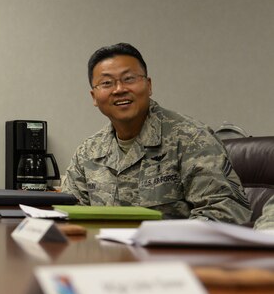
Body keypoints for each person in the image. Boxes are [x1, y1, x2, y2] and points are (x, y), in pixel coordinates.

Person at [61, 42, 250, 223]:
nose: (119, 89)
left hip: (172, 254)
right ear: (94, 97)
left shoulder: (191, 139)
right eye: (107, 83)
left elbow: (227, 212)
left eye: (129, 79)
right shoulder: (88, 154)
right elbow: (67, 216)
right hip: (106, 254)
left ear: (149, 85)